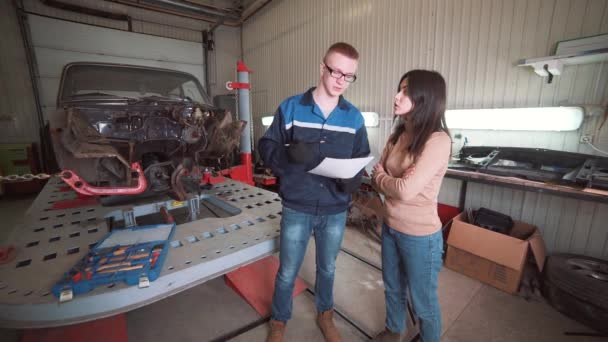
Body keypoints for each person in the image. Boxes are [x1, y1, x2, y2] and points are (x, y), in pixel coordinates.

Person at [259, 42, 370, 342]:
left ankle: (325, 315)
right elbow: (266, 146)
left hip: (335, 209)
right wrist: (288, 156)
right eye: (335, 71)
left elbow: (362, 158)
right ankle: (279, 321)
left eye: (348, 76)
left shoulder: (354, 118)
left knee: (328, 268)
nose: (340, 80)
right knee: (287, 270)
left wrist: (353, 181)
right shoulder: (291, 108)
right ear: (322, 68)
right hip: (298, 205)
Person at [371, 70, 451, 342]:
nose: (396, 96)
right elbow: (376, 177)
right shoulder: (397, 135)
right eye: (399, 88)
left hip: (421, 237)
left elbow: (404, 191)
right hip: (391, 226)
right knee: (393, 288)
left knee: (423, 303)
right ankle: (393, 331)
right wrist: (387, 180)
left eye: (405, 91)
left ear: (425, 97)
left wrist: (385, 179)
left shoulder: (438, 141)